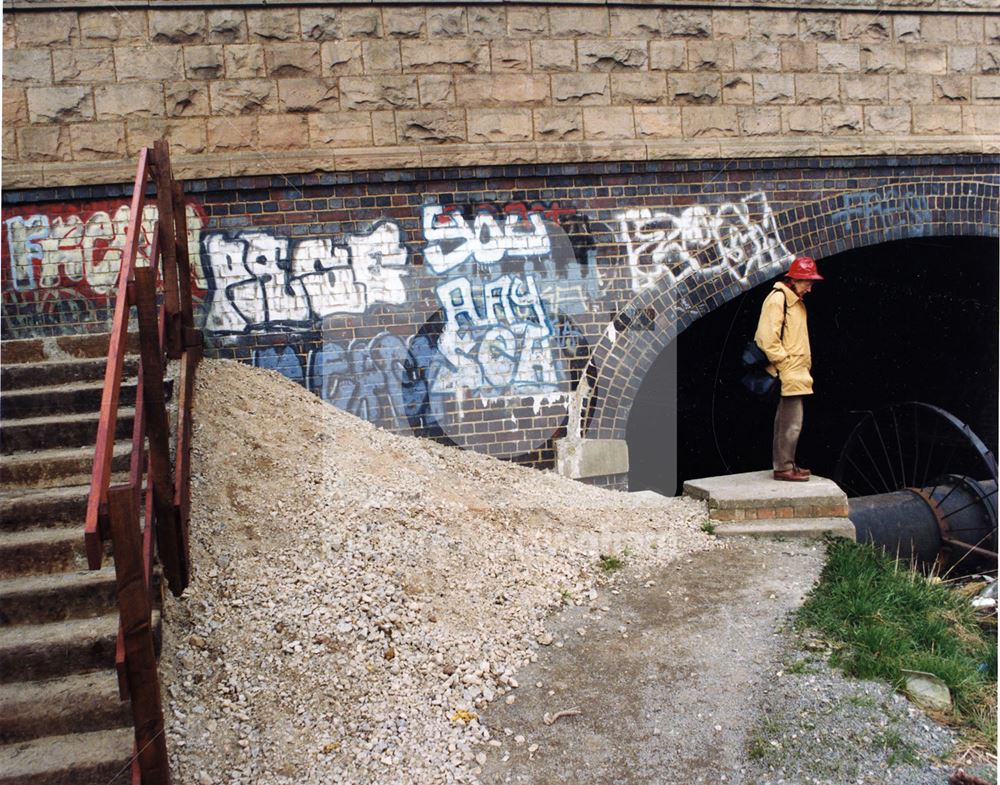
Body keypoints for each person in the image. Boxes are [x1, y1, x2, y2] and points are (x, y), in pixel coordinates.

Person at [754, 256, 824, 482]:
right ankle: (784, 467)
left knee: (788, 421)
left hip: (796, 372)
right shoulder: (778, 300)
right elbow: (766, 338)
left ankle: (788, 463)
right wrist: (784, 363)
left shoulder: (794, 301)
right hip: (789, 372)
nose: (810, 288)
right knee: (791, 423)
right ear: (794, 280)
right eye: (808, 283)